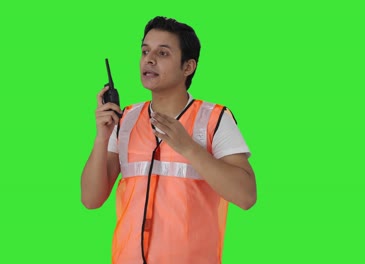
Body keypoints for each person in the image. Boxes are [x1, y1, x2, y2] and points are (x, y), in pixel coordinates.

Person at [81, 16, 257, 264]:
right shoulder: (126, 120)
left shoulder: (214, 119)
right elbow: (91, 199)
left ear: (188, 67)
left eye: (163, 53)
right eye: (145, 51)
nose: (149, 59)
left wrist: (189, 148)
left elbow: (246, 196)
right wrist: (102, 137)